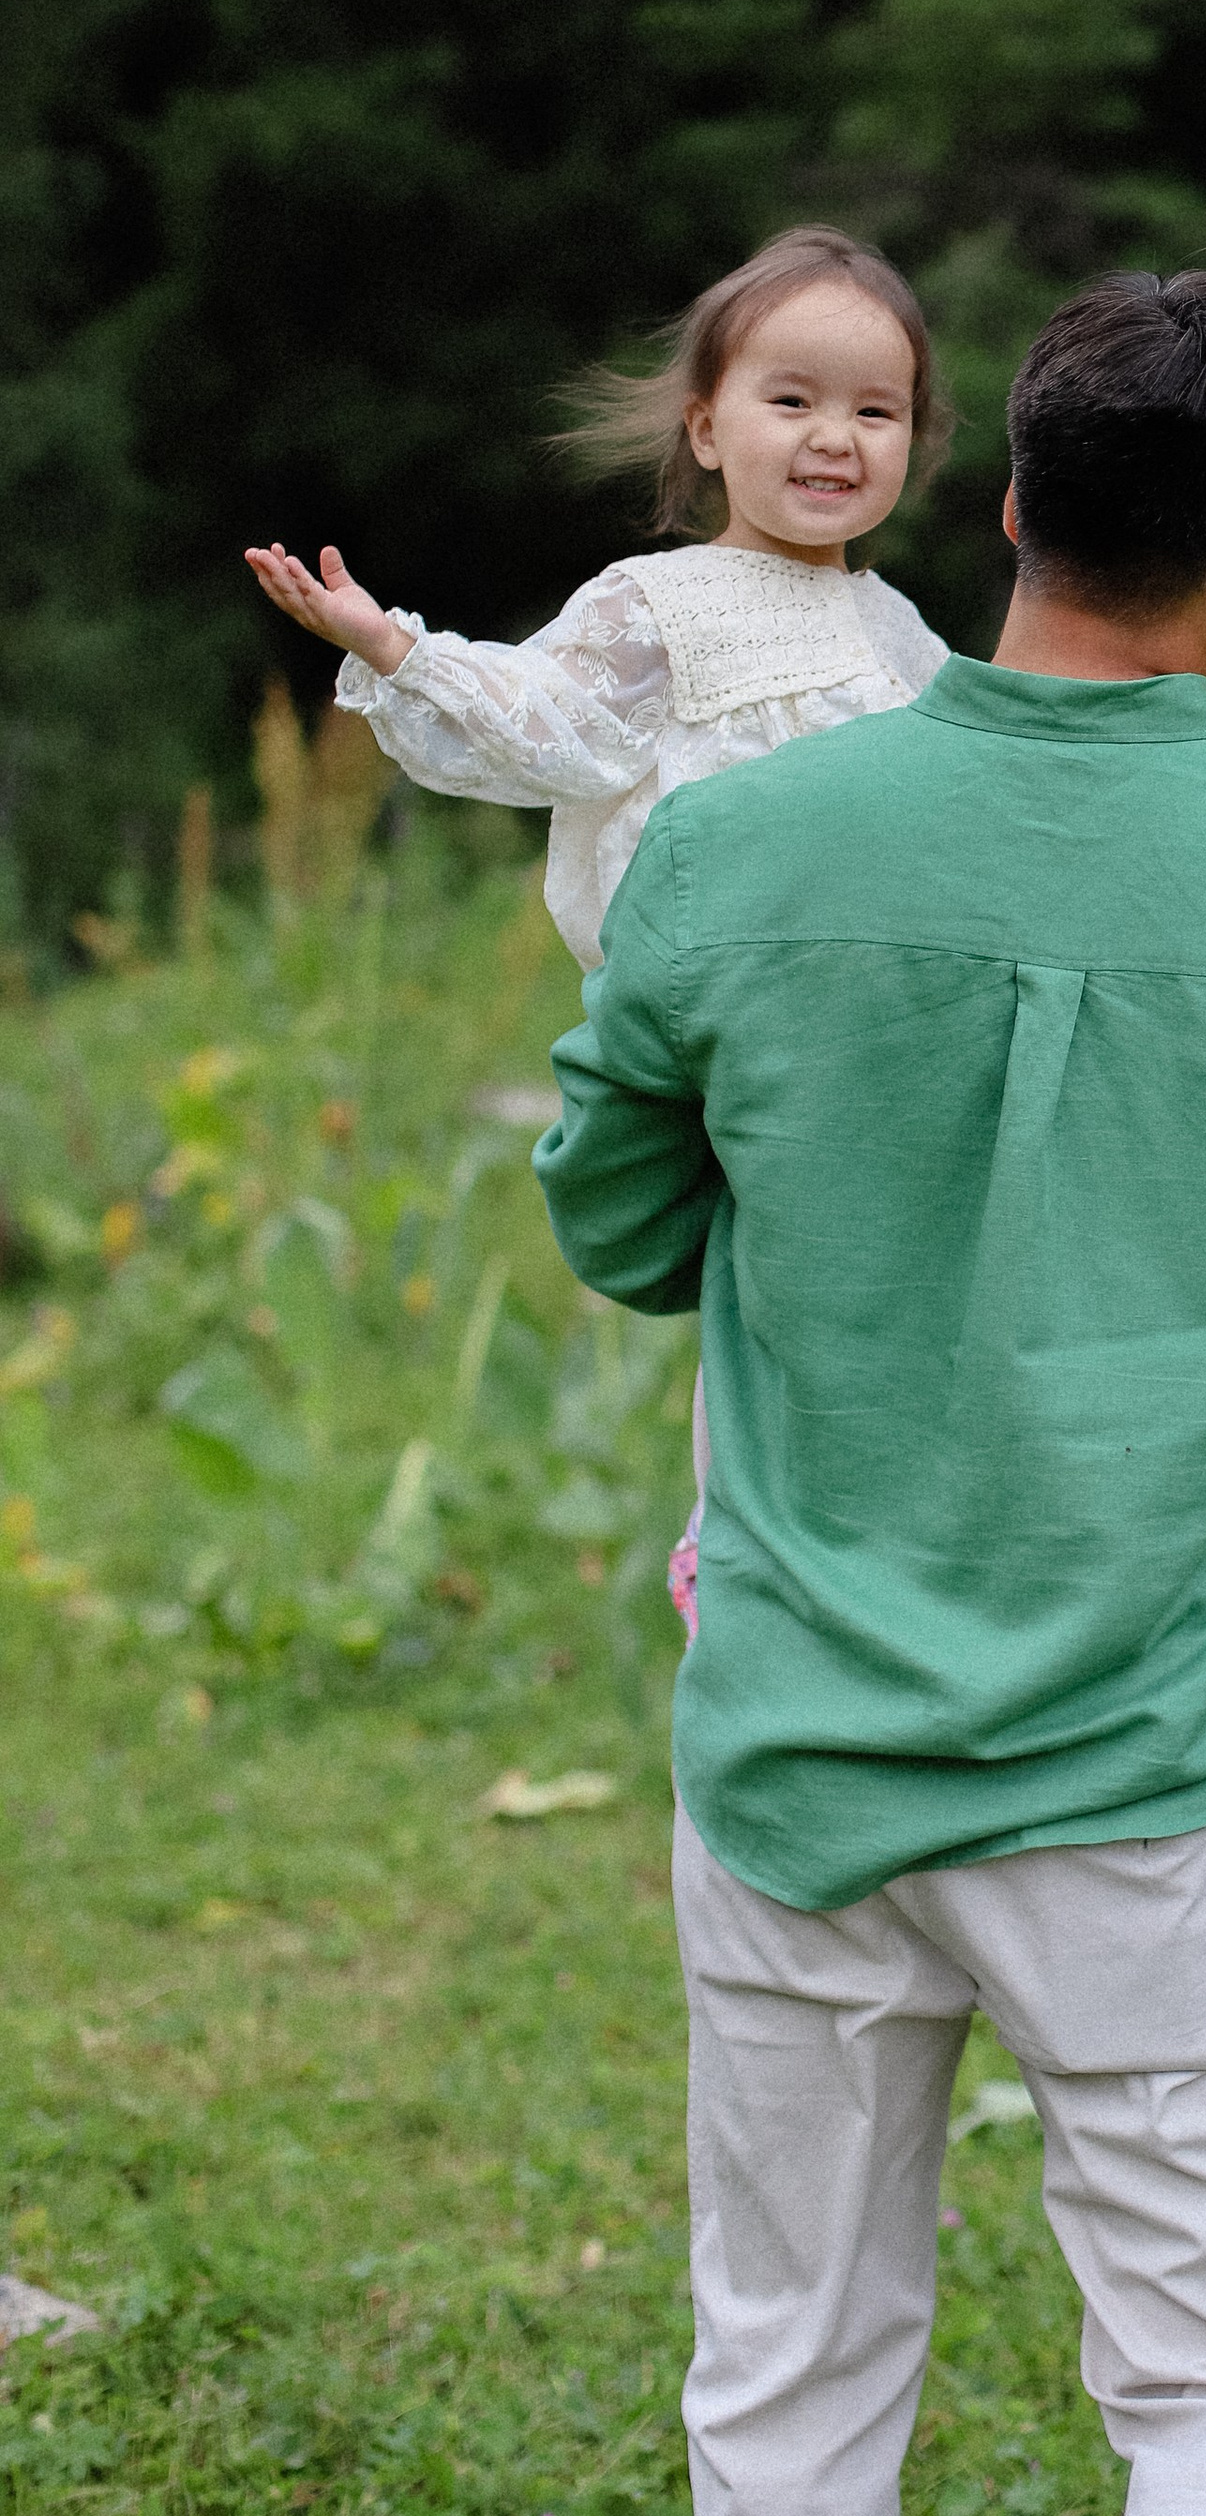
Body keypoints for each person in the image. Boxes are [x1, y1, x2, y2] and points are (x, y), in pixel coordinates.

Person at [535, 269, 1206, 2516]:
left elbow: (626, 1228)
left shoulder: (735, 849)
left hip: (794, 1756)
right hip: (1164, 1790)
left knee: (784, 2375)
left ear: (998, 511)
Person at [243, 223, 953, 1629]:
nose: (833, 439)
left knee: (873, 1304)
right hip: (727, 1024)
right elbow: (546, 729)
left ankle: (875, 1557)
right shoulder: (661, 603)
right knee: (773, 1298)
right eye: (792, 400)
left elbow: (967, 788)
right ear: (706, 425)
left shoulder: (900, 630)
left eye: (875, 411)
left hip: (873, 1029)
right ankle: (740, 1559)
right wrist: (398, 649)